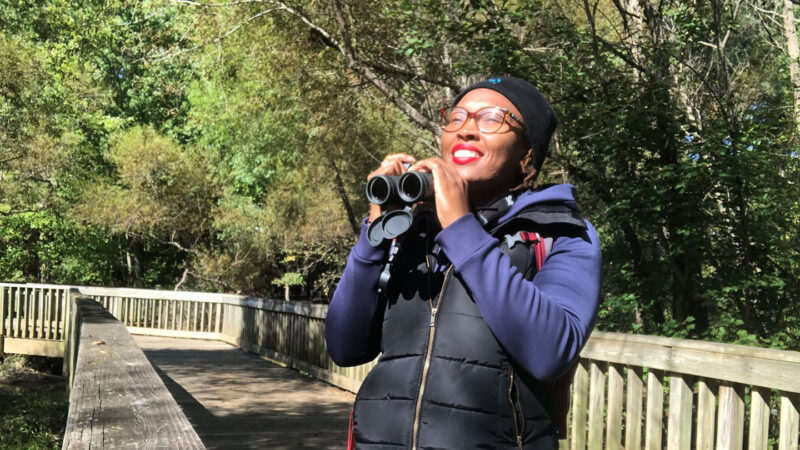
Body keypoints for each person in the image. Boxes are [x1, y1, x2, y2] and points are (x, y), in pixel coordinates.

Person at [325, 76, 602, 449]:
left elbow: (551, 350)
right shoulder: (414, 232)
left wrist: (460, 228)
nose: (467, 130)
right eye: (456, 117)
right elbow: (345, 347)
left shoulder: (560, 233)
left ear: (528, 154)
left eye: (491, 119)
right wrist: (374, 235)